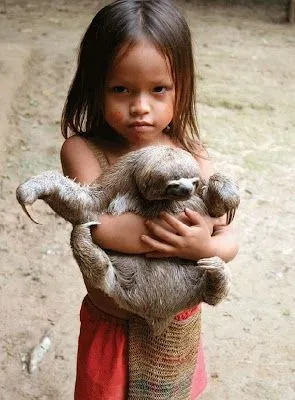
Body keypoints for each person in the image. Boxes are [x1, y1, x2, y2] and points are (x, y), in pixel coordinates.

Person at [60, 1, 238, 399]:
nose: (140, 107)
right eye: (121, 89)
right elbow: (100, 227)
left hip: (178, 327)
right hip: (114, 331)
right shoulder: (84, 150)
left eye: (159, 89)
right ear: (95, 85)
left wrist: (206, 245)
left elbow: (228, 238)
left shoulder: (192, 153)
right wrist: (188, 232)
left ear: (182, 87)